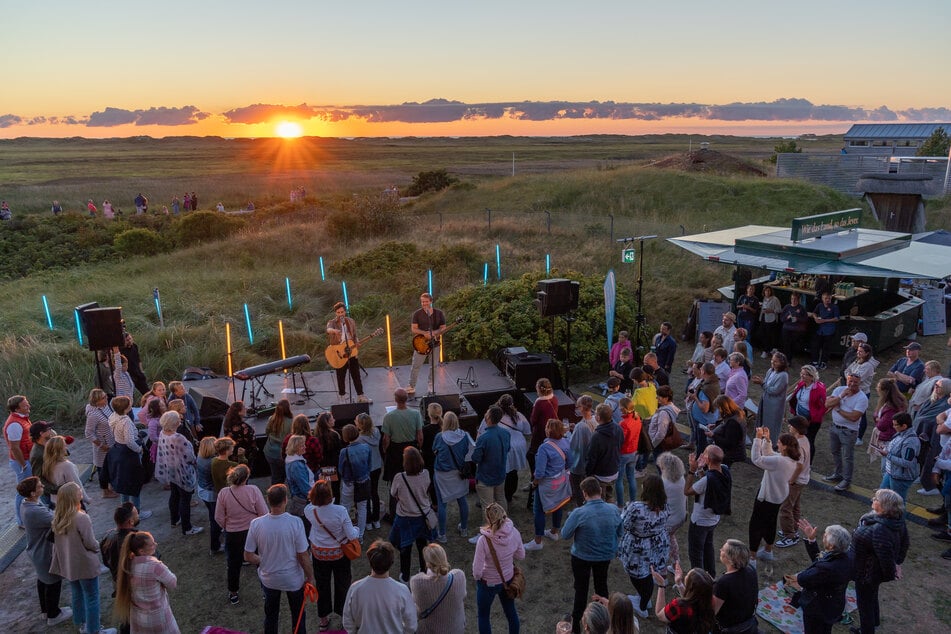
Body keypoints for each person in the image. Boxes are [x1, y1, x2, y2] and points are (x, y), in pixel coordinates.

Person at [245, 484, 314, 634]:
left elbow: (248, 555)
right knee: (298, 616)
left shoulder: (256, 524)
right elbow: (303, 555)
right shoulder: (295, 522)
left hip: (269, 579)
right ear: (285, 500)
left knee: (271, 615)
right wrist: (310, 576)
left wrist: (263, 560)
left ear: (268, 501)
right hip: (293, 579)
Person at [49, 482, 118, 634]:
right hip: (84, 563)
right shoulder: (81, 517)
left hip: (69, 564)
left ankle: (82, 624)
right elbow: (90, 542)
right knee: (92, 596)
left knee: (77, 593)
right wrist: (98, 546)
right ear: (74, 496)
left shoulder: (57, 517)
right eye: (79, 491)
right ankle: (94, 630)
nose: (81, 492)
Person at [560, 476, 622, 633]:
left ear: (584, 494)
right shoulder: (613, 509)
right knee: (602, 586)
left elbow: (565, 534)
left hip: (582, 556)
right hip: (605, 556)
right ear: (600, 491)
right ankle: (603, 623)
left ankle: (575, 629)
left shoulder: (579, 513)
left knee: (581, 590)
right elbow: (620, 531)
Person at [851, 489, 909, 634]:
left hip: (867, 573)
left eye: (876, 499)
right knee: (871, 596)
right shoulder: (897, 521)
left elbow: (886, 557)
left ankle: (866, 630)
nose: (873, 500)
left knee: (864, 603)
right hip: (871, 571)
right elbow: (905, 543)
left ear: (885, 506)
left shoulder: (880, 530)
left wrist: (893, 570)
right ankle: (874, 621)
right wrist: (898, 563)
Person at [18, 477, 73, 626]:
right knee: (53, 582)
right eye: (39, 486)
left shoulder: (27, 504)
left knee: (43, 580)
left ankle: (45, 611)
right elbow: (56, 520)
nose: (43, 487)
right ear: (33, 493)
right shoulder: (34, 511)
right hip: (44, 552)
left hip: (35, 550)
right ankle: (54, 614)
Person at [783, 519, 853, 634]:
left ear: (831, 545)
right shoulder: (845, 557)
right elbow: (820, 560)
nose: (823, 536)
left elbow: (803, 579)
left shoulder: (826, 569)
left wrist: (798, 577)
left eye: (825, 535)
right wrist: (811, 539)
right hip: (834, 606)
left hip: (818, 609)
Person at [306, 479, 358, 630]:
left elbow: (309, 506)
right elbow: (351, 535)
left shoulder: (310, 510)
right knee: (342, 584)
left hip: (319, 553)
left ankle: (323, 619)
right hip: (339, 553)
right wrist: (356, 528)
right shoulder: (340, 511)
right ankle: (343, 616)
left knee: (322, 585)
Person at [618, 474, 670, 619]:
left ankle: (643, 605)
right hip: (656, 544)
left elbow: (624, 524)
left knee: (639, 575)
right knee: (649, 572)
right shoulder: (665, 506)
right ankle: (644, 599)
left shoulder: (636, 507)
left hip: (638, 547)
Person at [214, 464, 267, 605]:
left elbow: (218, 517)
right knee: (260, 561)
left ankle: (233, 593)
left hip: (232, 534)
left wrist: (227, 526)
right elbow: (263, 513)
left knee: (233, 564)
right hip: (253, 531)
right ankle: (266, 590)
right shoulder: (253, 490)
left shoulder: (224, 493)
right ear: (246, 478)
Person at [472, 502, 525, 634]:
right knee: (511, 613)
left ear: (488, 519)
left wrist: (479, 579)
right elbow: (521, 555)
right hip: (508, 579)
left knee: (484, 616)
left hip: (487, 584)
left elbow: (477, 572)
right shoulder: (515, 532)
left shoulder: (483, 541)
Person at [748, 430, 799, 567]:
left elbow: (757, 459)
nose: (777, 443)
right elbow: (770, 454)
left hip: (767, 497)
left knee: (756, 525)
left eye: (779, 442)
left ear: (785, 446)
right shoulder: (789, 459)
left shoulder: (779, 461)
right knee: (770, 522)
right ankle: (767, 550)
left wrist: (757, 439)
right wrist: (767, 440)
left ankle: (752, 558)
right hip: (778, 497)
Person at [342, 540, 417, 633]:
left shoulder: (356, 588)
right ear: (391, 562)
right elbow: (411, 625)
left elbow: (347, 620)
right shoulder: (402, 590)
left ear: (370, 560)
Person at [114, 531, 180, 634]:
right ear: (141, 551)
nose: (156, 545)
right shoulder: (154, 566)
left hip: (139, 618)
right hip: (158, 618)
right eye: (152, 544)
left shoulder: (127, 565)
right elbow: (172, 582)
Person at [685, 444, 731, 577]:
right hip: (714, 519)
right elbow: (709, 481)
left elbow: (687, 491)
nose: (702, 455)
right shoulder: (725, 470)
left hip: (700, 522)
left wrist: (692, 471)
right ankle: (711, 576)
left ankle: (698, 581)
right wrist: (700, 469)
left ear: (709, 459)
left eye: (704, 453)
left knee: (696, 554)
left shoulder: (706, 481)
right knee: (708, 548)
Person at [154, 411, 203, 536]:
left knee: (174, 495)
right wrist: (195, 462)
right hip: (182, 471)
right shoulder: (178, 438)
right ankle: (187, 528)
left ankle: (174, 520)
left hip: (171, 470)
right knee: (185, 499)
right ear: (174, 422)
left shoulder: (162, 433)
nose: (180, 420)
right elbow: (189, 456)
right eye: (178, 419)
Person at [525, 418, 571, 551]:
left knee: (539, 510)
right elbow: (571, 462)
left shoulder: (544, 447)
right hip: (560, 479)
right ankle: (554, 531)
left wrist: (534, 483)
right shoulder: (565, 442)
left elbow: (539, 472)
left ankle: (538, 541)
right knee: (559, 504)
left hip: (547, 483)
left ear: (548, 431)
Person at [105, 395, 152, 518]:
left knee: (124, 484)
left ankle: (125, 511)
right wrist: (139, 449)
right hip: (128, 453)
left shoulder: (113, 416)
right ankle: (137, 513)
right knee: (134, 483)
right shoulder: (125, 421)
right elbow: (130, 441)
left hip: (118, 449)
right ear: (126, 407)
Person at [382, 388, 423, 521]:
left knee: (395, 482)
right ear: (407, 399)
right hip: (411, 449)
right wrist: (418, 449)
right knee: (413, 479)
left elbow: (386, 439)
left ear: (395, 399)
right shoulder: (416, 414)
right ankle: (414, 509)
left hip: (395, 451)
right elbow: (420, 436)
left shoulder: (389, 416)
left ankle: (394, 514)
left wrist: (385, 450)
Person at [823, 373, 869, 492]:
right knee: (835, 452)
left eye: (855, 382)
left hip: (849, 431)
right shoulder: (839, 390)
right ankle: (838, 474)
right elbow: (827, 404)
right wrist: (841, 396)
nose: (852, 384)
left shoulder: (862, 398)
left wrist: (838, 408)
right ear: (847, 380)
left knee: (847, 456)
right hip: (834, 427)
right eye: (850, 381)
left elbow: (854, 417)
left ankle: (846, 480)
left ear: (860, 383)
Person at [433, 411, 474, 541]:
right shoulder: (465, 436)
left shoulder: (440, 436)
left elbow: (434, 450)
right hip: (459, 473)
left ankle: (443, 534)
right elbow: (471, 451)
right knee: (462, 501)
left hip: (442, 474)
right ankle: (464, 529)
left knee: (442, 504)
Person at [410, 543, 466, 634]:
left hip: (430, 630)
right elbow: (463, 596)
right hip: (456, 629)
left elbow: (416, 611)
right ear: (445, 557)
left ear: (427, 564)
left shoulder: (417, 582)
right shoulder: (459, 576)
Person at [776, 416, 811, 548]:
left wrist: (791, 480)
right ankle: (793, 529)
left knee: (785, 508)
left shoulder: (798, 444)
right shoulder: (804, 440)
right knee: (795, 506)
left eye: (791, 425)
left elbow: (799, 465)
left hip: (797, 481)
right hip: (803, 479)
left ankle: (789, 535)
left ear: (796, 428)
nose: (789, 427)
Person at [649, 566, 716, 634]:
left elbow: (660, 615)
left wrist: (661, 585)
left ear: (690, 586)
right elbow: (692, 599)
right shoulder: (708, 602)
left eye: (687, 575)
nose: (685, 576)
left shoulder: (678, 605)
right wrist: (679, 584)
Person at [471, 405, 511, 517]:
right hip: (500, 473)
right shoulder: (506, 433)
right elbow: (507, 449)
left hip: (485, 477)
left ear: (488, 417)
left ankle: (489, 531)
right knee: (501, 499)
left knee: (487, 506)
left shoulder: (483, 438)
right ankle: (504, 525)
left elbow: (475, 458)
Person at [326, 301, 370, 402]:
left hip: (351, 351)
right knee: (341, 376)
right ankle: (342, 397)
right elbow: (328, 329)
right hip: (339, 353)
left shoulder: (350, 321)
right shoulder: (332, 322)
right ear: (335, 313)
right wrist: (334, 331)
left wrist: (357, 341)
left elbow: (354, 335)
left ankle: (360, 396)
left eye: (342, 312)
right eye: (338, 312)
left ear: (345, 312)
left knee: (356, 375)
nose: (340, 314)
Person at [713, 539, 759, 634]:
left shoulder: (723, 582)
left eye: (723, 550)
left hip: (729, 627)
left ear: (730, 559)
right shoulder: (751, 569)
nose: (720, 550)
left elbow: (712, 611)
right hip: (747, 623)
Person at [492, 393, 530, 504]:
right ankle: (509, 495)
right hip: (518, 446)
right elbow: (527, 431)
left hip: (504, 447)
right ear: (512, 404)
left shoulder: (494, 416)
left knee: (502, 472)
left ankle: (500, 496)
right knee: (513, 471)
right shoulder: (519, 416)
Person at [875, 412, 920, 501]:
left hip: (900, 477)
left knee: (897, 503)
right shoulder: (900, 434)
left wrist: (887, 454)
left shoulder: (910, 442)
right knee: (881, 497)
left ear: (904, 426)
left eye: (896, 425)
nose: (893, 427)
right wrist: (886, 448)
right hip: (892, 473)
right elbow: (896, 449)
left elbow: (906, 463)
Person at [408, 292, 447, 395]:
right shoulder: (417, 314)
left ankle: (431, 386)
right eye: (422, 302)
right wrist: (425, 333)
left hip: (435, 343)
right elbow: (414, 329)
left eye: (426, 301)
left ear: (431, 301)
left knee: (434, 366)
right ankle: (411, 386)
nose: (424, 303)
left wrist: (435, 333)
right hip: (421, 343)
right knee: (416, 365)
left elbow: (443, 328)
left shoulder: (439, 313)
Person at [788, 364, 828, 462]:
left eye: (805, 374)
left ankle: (808, 463)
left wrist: (812, 419)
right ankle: (795, 458)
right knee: (795, 438)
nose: (802, 376)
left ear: (811, 376)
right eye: (801, 374)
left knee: (808, 441)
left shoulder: (819, 389)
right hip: (798, 417)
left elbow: (822, 407)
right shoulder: (801, 384)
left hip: (811, 420)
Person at [5, 394, 34, 527]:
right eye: (25, 405)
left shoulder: (21, 419)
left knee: (27, 490)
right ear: (17, 409)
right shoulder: (14, 424)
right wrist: (23, 465)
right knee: (23, 491)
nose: (29, 406)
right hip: (22, 462)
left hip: (26, 459)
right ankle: (21, 521)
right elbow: (15, 448)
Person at [339, 423, 372, 539]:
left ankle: (347, 534)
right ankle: (360, 536)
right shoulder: (366, 448)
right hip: (363, 482)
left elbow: (340, 469)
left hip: (349, 483)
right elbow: (369, 465)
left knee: (345, 507)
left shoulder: (344, 451)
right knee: (362, 508)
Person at [585, 404, 623, 503]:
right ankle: (611, 508)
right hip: (614, 470)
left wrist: (588, 474)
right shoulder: (618, 428)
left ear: (598, 417)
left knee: (599, 501)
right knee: (609, 495)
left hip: (601, 475)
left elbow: (591, 458)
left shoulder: (596, 436)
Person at [100, 502, 141, 592]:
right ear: (130, 521)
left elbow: (106, 562)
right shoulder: (134, 539)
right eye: (136, 514)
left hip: (117, 583)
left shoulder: (107, 537)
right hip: (134, 583)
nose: (138, 515)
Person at [85, 388, 117, 498]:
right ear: (97, 400)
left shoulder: (106, 406)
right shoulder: (93, 415)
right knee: (102, 468)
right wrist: (101, 445)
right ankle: (105, 491)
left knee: (112, 465)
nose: (106, 398)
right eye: (103, 397)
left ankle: (111, 486)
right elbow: (88, 433)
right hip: (103, 445)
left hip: (112, 441)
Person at [354, 413, 383, 529]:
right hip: (377, 466)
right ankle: (376, 519)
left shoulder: (359, 439)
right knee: (374, 492)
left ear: (360, 425)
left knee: (366, 494)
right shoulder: (376, 432)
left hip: (366, 469)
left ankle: (368, 520)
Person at [195, 437, 223, 555]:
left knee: (213, 515)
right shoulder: (212, 462)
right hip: (211, 494)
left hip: (202, 490)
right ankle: (215, 547)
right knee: (215, 520)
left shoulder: (200, 457)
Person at [753, 351, 790, 443]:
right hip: (765, 401)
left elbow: (774, 391)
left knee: (771, 425)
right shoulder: (770, 371)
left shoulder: (783, 376)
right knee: (762, 421)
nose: (773, 363)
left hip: (774, 405)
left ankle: (771, 443)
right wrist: (762, 383)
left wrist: (762, 383)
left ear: (782, 363)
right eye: (772, 360)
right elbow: (766, 385)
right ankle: (760, 439)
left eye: (775, 361)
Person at [44, 435, 90, 507]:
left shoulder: (47, 465)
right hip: (70, 501)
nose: (66, 448)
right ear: (60, 449)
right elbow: (76, 484)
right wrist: (86, 499)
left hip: (55, 501)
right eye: (64, 446)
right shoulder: (66, 466)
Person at [568, 395, 597, 506]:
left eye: (577, 406)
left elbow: (575, 445)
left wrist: (568, 434)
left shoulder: (582, 426)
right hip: (591, 461)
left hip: (581, 462)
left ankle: (581, 507)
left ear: (582, 408)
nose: (576, 408)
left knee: (580, 487)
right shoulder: (594, 419)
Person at [687, 363, 719, 457]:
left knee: (701, 444)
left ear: (704, 372)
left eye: (701, 369)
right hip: (703, 420)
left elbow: (705, 409)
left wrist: (695, 398)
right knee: (700, 442)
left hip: (704, 421)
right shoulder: (712, 382)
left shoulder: (707, 388)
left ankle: (699, 462)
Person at [616, 397, 641, 508]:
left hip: (624, 453)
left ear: (624, 409)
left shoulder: (623, 423)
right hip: (634, 451)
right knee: (631, 477)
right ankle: (633, 502)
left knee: (619, 479)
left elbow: (620, 440)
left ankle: (620, 504)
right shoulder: (637, 418)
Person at [707, 395, 746, 466]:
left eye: (718, 408)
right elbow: (726, 425)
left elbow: (729, 443)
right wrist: (716, 425)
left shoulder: (733, 423)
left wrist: (713, 435)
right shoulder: (737, 413)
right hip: (735, 452)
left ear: (723, 407)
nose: (718, 411)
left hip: (731, 455)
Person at [262, 399, 294, 485]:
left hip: (269, 452)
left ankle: (275, 494)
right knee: (285, 476)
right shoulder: (291, 422)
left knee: (275, 476)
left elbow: (267, 432)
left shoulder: (271, 419)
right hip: (282, 454)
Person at [315, 411, 343, 500]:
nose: (334, 420)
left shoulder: (317, 435)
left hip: (325, 465)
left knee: (327, 488)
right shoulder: (334, 435)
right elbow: (340, 450)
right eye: (332, 419)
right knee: (335, 489)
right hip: (334, 464)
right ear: (327, 422)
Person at [871, 378, 907, 447]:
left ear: (884, 391)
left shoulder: (891, 407)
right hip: (890, 436)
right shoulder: (894, 403)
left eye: (878, 387)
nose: (876, 389)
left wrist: (878, 419)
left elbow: (882, 426)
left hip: (888, 439)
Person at [809, 292, 839, 369]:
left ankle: (823, 363)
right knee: (815, 346)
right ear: (822, 299)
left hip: (829, 330)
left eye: (829, 298)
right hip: (820, 330)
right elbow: (814, 313)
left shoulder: (834, 307)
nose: (827, 300)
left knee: (826, 348)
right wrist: (816, 318)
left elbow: (836, 318)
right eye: (825, 298)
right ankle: (815, 362)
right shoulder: (819, 305)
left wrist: (825, 320)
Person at [781, 292, 809, 362]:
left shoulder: (801, 308)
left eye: (795, 299)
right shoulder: (787, 307)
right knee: (786, 345)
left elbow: (805, 319)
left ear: (798, 300)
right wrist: (787, 317)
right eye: (792, 299)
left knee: (793, 345)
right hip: (786, 328)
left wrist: (798, 319)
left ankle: (789, 359)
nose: (793, 300)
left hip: (796, 330)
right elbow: (782, 319)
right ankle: (786, 360)